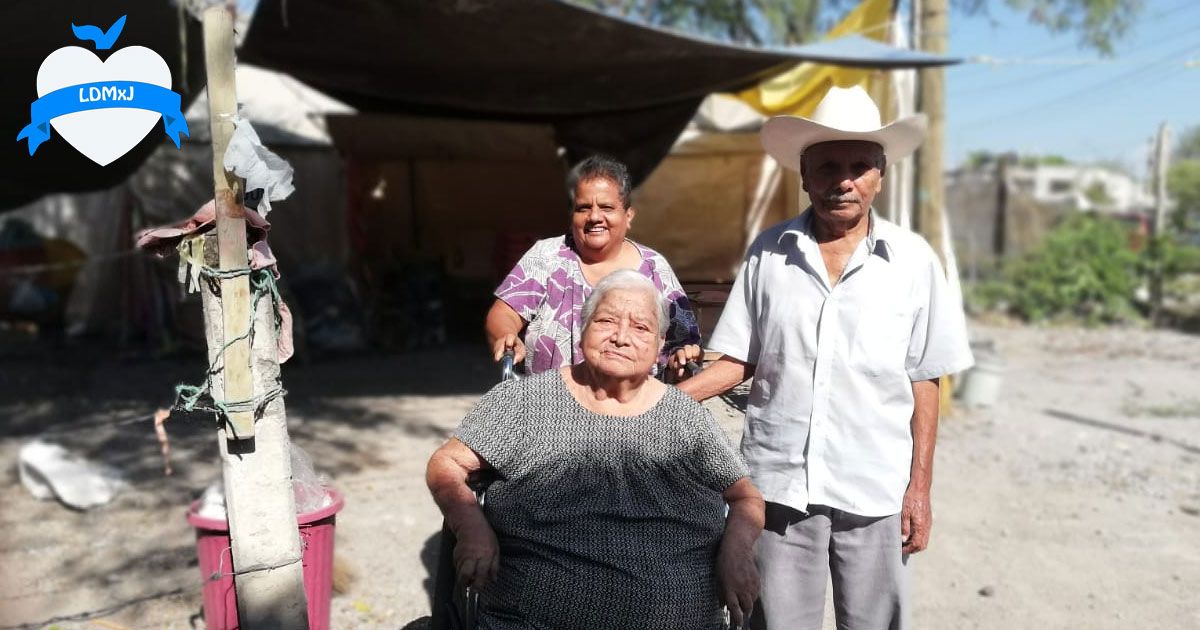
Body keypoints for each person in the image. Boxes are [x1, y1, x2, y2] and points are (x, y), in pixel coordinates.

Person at [678, 85, 974, 630]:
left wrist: (920, 490)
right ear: (804, 174)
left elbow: (925, 379)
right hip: (780, 487)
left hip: (875, 488)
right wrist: (654, 403)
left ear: (880, 176)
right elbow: (740, 359)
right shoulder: (769, 252)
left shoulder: (913, 262)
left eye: (859, 166)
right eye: (828, 165)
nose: (843, 180)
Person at [430, 269, 765, 629]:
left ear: (659, 343)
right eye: (606, 320)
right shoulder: (523, 401)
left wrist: (738, 550)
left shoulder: (685, 417)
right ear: (584, 326)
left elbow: (746, 498)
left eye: (640, 328)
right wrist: (470, 527)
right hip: (531, 618)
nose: (621, 338)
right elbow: (446, 464)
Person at [485, 154, 701, 378]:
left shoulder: (655, 269)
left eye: (607, 207)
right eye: (583, 208)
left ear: (628, 216)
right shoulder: (547, 257)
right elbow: (504, 314)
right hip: (548, 404)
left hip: (633, 408)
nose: (595, 216)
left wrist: (683, 356)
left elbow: (684, 341)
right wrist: (506, 336)